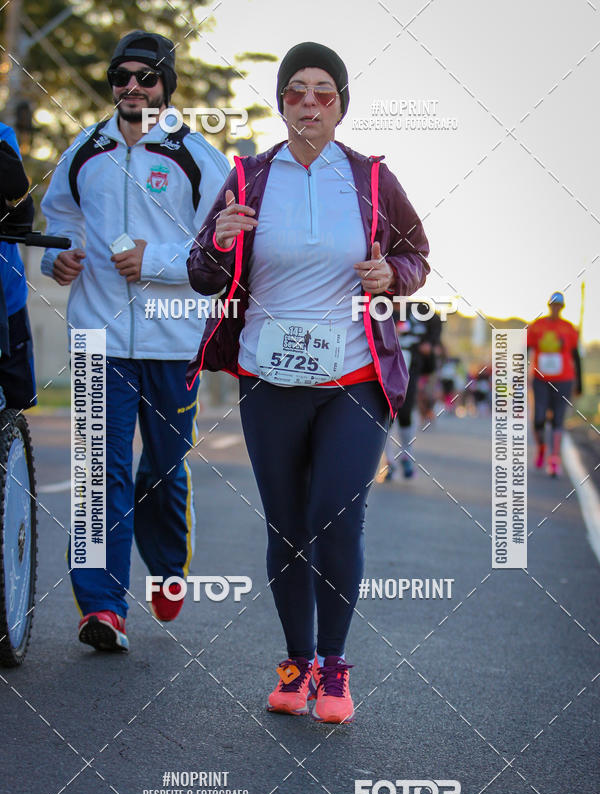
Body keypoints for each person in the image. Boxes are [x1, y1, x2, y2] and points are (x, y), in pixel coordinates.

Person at [187, 42, 430, 723]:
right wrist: (218, 244)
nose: (311, 103)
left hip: (353, 375)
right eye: (297, 91)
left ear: (342, 105)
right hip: (269, 376)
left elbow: (416, 254)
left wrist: (393, 277)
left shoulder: (371, 179)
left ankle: (335, 670)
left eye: (325, 92)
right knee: (287, 527)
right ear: (281, 103)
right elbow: (203, 274)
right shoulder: (247, 176)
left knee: (336, 516)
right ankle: (296, 665)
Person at [41, 31, 230, 651]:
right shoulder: (84, 150)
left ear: (165, 86)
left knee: (163, 467)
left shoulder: (198, 155)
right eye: (121, 76)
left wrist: (160, 260)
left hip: (174, 336)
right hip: (98, 336)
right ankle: (102, 607)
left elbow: (225, 245)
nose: (132, 87)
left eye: (146, 77)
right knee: (101, 471)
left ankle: (168, 568)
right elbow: (60, 221)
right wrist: (59, 260)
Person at [0, 123, 37, 412]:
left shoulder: (2, 135)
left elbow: (18, 216)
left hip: (5, 298)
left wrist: (18, 199)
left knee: (13, 405)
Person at [384, 301, 441, 479]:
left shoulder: (419, 309)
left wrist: (430, 343)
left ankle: (407, 454)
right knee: (385, 413)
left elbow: (436, 322)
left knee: (406, 411)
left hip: (411, 366)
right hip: (385, 366)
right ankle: (388, 461)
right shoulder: (379, 306)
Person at [527, 291, 582, 477]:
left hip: (564, 379)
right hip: (541, 380)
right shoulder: (537, 326)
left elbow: (576, 356)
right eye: (553, 305)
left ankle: (554, 459)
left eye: (559, 305)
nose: (556, 308)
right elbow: (526, 351)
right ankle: (542, 447)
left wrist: (579, 382)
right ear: (549, 305)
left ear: (562, 307)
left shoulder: (569, 328)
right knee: (539, 419)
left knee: (558, 419)